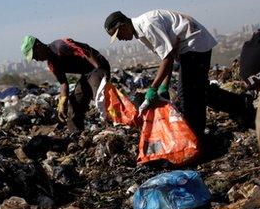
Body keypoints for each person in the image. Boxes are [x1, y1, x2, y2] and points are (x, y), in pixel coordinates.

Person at [104, 9, 250, 137]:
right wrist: (164, 87)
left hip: (193, 43)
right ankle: (241, 104)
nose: (120, 39)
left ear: (123, 25)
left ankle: (196, 136)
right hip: (190, 46)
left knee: (187, 94)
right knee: (199, 90)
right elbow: (167, 56)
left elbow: (167, 58)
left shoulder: (147, 26)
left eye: (118, 34)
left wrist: (154, 88)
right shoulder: (141, 33)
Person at [21, 36, 110, 131]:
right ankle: (76, 135)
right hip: (87, 74)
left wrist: (100, 71)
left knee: (100, 96)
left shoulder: (60, 46)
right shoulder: (52, 64)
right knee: (74, 105)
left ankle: (112, 126)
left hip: (97, 65)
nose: (36, 59)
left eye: (35, 55)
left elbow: (86, 53)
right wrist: (62, 103)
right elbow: (63, 83)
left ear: (38, 45)